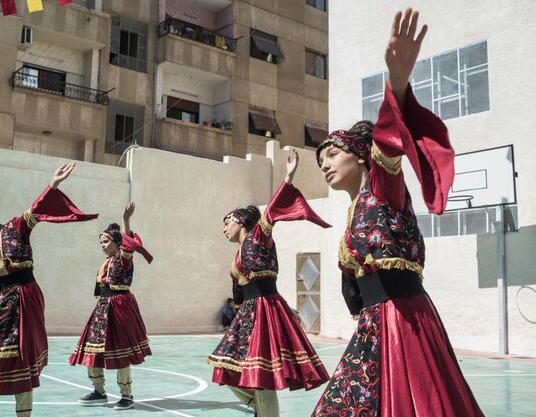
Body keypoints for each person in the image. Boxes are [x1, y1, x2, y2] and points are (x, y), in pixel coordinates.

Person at [312, 9, 485, 417]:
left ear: (360, 155)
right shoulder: (355, 211)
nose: (324, 164)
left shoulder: (384, 187)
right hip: (373, 329)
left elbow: (389, 141)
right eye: (321, 158)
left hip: (403, 323)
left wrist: (396, 81)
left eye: (332, 154)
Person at [0, 162, 98, 417]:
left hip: (23, 298)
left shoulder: (15, 228)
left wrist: (53, 184)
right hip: (1, 301)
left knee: (21, 358)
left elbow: (36, 210)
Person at [207, 149, 331, 417]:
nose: (224, 228)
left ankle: (265, 412)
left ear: (240, 221)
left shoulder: (258, 237)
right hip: (248, 315)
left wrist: (288, 176)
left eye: (227, 222)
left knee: (261, 377)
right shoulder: (236, 257)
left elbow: (273, 210)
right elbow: (238, 293)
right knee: (226, 368)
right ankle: (262, 410)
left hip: (265, 310)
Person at [69, 202, 153, 411]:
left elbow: (129, 244)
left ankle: (127, 395)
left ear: (117, 243)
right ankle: (99, 392)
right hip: (102, 307)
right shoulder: (106, 262)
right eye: (101, 242)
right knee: (92, 350)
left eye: (106, 241)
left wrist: (125, 220)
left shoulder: (123, 259)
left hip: (119, 306)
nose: (102, 245)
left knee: (120, 351)